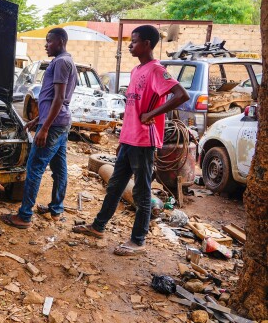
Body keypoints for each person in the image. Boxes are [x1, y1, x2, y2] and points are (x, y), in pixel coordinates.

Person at [73, 25, 190, 256]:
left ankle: (138, 241)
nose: (129, 45)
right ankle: (98, 227)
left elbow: (181, 95)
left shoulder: (156, 70)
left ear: (147, 44)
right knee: (115, 186)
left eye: (134, 41)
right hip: (129, 140)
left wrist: (152, 114)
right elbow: (132, 109)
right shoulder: (137, 70)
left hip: (144, 142)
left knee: (141, 192)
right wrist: (122, 139)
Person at [0, 28, 77, 228]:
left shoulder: (60, 62)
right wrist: (37, 121)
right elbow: (54, 97)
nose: (46, 44)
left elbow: (59, 98)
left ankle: (24, 216)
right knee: (60, 168)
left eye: (49, 41)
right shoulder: (68, 61)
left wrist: (44, 127)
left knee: (34, 168)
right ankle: (56, 209)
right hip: (61, 122)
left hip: (53, 125)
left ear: (60, 41)